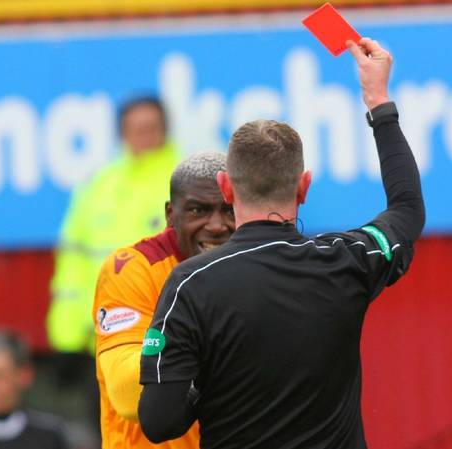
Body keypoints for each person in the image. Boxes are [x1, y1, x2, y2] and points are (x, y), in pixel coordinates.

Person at [138, 38, 425, 449]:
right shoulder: (348, 260)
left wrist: (206, 377)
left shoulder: (189, 284)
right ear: (304, 187)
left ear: (226, 188)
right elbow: (408, 208)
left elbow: (160, 421)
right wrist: (378, 100)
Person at [93, 152, 235, 449]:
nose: (218, 225)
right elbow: (129, 396)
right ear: (171, 214)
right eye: (199, 211)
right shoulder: (133, 268)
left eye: (229, 210)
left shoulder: (255, 266)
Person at [48, 96, 179, 355]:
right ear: (123, 134)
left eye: (151, 127)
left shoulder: (183, 178)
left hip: (165, 331)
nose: (144, 136)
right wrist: (66, 323)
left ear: (165, 129)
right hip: (101, 335)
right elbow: (73, 255)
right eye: (136, 129)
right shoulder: (100, 185)